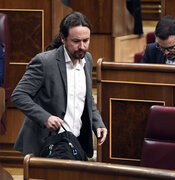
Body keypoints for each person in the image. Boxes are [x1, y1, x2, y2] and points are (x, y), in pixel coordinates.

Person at [11, 11, 107, 158]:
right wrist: (45, 118)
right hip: (48, 144)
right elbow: (19, 95)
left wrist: (97, 123)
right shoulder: (44, 62)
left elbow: (87, 99)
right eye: (76, 41)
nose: (82, 46)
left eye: (86, 40)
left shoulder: (87, 59)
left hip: (75, 142)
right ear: (63, 38)